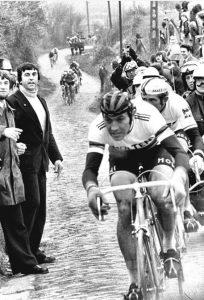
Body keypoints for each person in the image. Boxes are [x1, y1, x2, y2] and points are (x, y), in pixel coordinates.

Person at [82, 90, 190, 298]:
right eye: (109, 120)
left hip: (156, 154)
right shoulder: (98, 127)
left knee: (162, 197)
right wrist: (91, 189)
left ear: (131, 113)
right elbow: (90, 169)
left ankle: (169, 248)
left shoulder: (147, 114)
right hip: (123, 160)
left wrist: (178, 176)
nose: (114, 127)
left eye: (120, 119)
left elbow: (178, 152)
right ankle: (134, 281)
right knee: (124, 208)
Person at [7, 62, 63, 265]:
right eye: (27, 75)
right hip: (22, 161)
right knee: (31, 204)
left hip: (40, 162)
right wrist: (15, 145)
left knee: (41, 208)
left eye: (34, 74)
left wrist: (56, 157)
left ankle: (34, 249)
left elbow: (47, 133)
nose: (31, 78)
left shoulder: (40, 100)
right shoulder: (13, 101)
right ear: (19, 78)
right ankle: (23, 255)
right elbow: (6, 128)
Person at [140, 77, 204, 232]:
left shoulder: (178, 104)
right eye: (145, 100)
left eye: (152, 100)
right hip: (151, 137)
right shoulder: (138, 105)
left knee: (178, 154)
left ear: (165, 99)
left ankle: (187, 206)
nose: (148, 104)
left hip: (175, 132)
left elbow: (194, 134)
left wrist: (198, 155)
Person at [0, 71, 48, 275]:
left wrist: (15, 147)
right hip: (3, 172)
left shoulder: (6, 108)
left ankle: (25, 263)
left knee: (16, 221)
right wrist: (2, 132)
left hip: (9, 172)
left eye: (5, 82)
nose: (2, 85)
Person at [186, 64, 204, 223]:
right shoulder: (188, 101)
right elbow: (186, 128)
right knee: (193, 170)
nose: (202, 83)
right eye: (199, 80)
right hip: (195, 146)